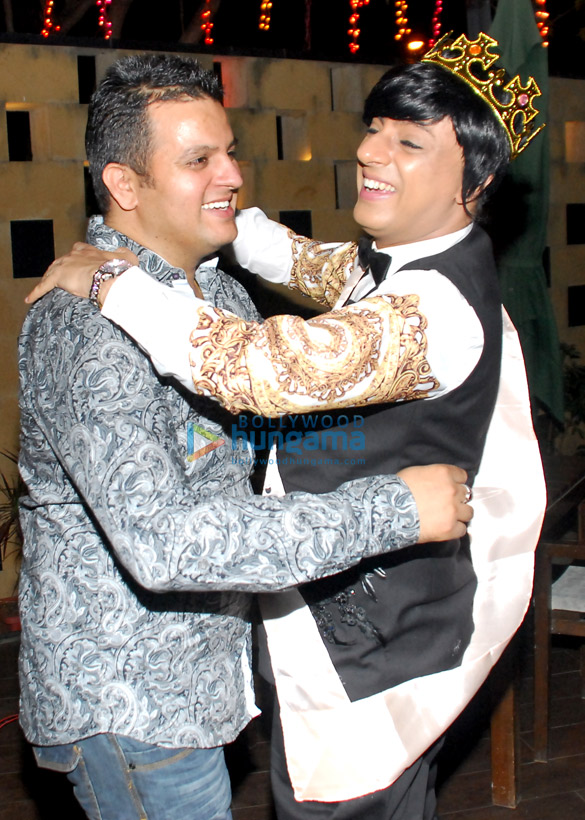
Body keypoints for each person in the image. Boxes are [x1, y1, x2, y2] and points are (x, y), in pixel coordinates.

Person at [27, 35, 547, 819]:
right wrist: (212, 226)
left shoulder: (410, 305)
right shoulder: (89, 331)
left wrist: (127, 268)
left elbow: (259, 370)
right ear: (122, 184)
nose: (368, 150)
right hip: (137, 694)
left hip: (341, 659)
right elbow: (312, 266)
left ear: (474, 182)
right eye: (374, 128)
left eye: (408, 142)